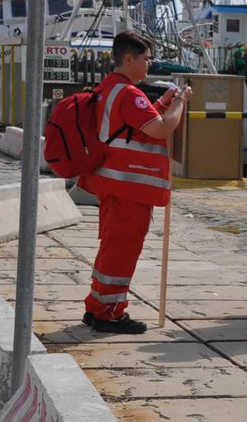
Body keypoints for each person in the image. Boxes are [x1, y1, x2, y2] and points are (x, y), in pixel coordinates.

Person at [80, 31, 191, 334]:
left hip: (112, 182)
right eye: (145, 58)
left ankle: (96, 305)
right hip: (129, 186)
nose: (149, 64)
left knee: (111, 246)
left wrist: (163, 101)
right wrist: (179, 103)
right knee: (122, 249)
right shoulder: (129, 93)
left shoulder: (108, 89)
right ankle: (109, 313)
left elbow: (132, 127)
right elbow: (160, 129)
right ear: (128, 59)